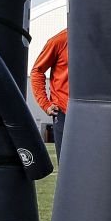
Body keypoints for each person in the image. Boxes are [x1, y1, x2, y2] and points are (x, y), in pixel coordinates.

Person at [31, 27, 69, 161]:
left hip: (92, 112)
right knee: (67, 165)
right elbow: (37, 71)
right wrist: (45, 104)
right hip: (64, 112)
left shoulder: (99, 38)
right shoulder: (60, 40)